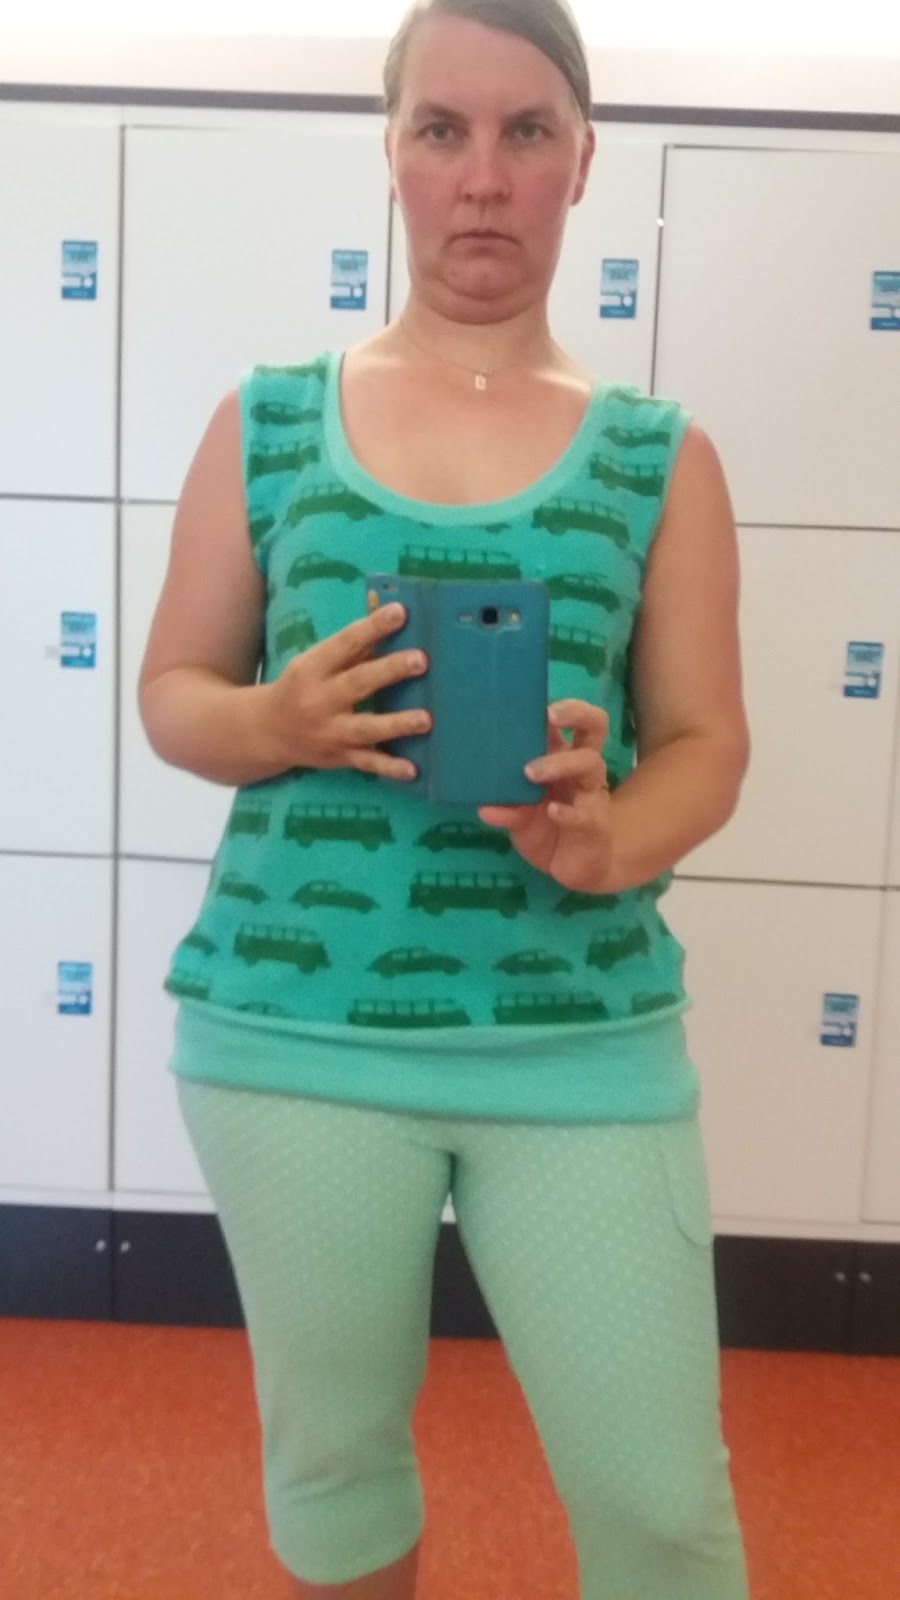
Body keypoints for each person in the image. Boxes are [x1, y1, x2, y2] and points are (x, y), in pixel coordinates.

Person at [138, 1, 753, 1595]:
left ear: (582, 162)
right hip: (295, 1039)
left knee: (664, 1514)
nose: (484, 176)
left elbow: (707, 743)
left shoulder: (660, 458)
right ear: (394, 155)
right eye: (443, 130)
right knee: (339, 1475)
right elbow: (173, 695)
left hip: (581, 1037)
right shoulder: (268, 422)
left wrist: (612, 836)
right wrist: (274, 717)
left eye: (526, 132)